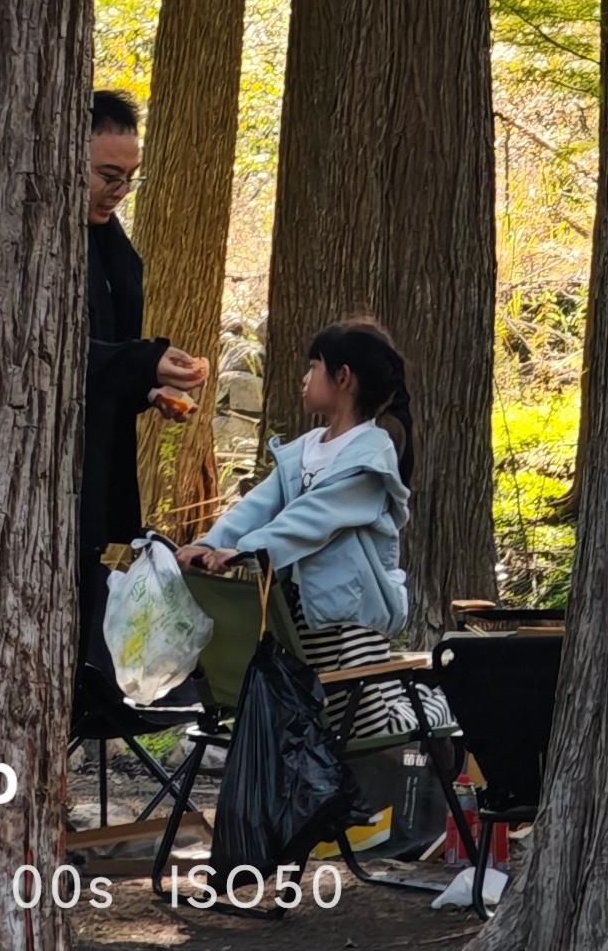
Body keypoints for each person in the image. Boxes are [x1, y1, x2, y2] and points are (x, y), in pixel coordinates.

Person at [180, 319, 450, 752]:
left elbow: (314, 516)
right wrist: (212, 542)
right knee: (320, 729)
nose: (304, 378)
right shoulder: (304, 449)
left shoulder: (371, 456)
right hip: (300, 617)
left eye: (313, 367)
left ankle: (444, 705)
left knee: (368, 729)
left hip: (350, 620)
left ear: (343, 377)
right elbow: (258, 505)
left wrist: (244, 551)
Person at [80, 92, 207, 727]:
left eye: (130, 177)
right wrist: (143, 364)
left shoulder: (112, 245)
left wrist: (151, 389)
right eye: (108, 175)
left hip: (101, 459)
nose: (120, 191)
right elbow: (51, 351)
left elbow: (110, 351)